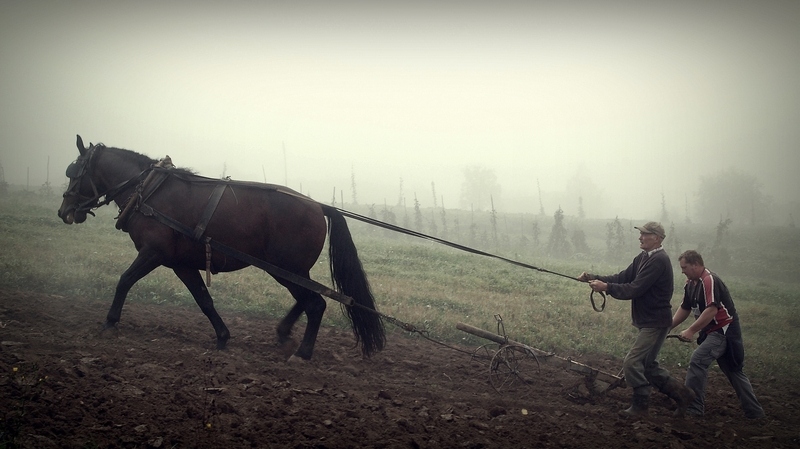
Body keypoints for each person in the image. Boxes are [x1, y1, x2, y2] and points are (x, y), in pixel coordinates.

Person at [578, 221, 694, 417]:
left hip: (655, 322)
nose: (640, 237)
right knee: (648, 366)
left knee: (632, 363)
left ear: (656, 238)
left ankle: (640, 405)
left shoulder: (659, 260)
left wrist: (606, 287)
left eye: (645, 234)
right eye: (640, 234)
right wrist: (592, 277)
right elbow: (623, 277)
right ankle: (684, 395)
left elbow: (635, 288)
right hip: (650, 321)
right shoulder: (643, 257)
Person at [671, 250, 765, 419]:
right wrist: (669, 326)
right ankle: (755, 413)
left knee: (698, 361)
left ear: (696, 265)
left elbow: (712, 310)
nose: (682, 270)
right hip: (712, 331)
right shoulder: (691, 283)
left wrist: (691, 330)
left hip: (723, 331)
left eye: (684, 267)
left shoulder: (709, 280)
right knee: (733, 371)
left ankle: (693, 409)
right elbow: (685, 307)